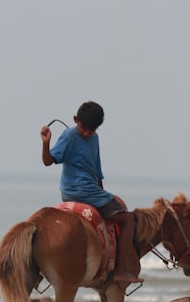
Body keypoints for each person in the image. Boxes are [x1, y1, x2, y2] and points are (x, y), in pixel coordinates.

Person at [40, 101, 143, 287]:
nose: (87, 133)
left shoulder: (94, 138)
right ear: (75, 120)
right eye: (84, 128)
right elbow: (48, 161)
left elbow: (96, 169)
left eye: (92, 129)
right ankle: (120, 270)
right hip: (78, 191)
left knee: (114, 209)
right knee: (127, 220)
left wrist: (102, 192)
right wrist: (46, 143)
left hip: (92, 190)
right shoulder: (69, 135)